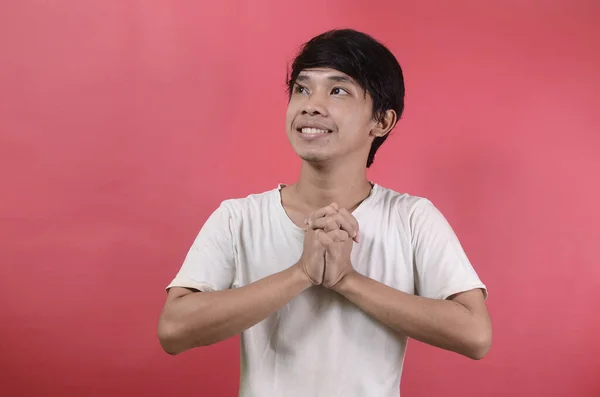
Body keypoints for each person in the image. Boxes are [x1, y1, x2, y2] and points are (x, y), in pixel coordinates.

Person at [157, 29, 492, 397]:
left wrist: (346, 279)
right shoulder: (238, 218)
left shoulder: (412, 218)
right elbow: (174, 330)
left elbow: (475, 335)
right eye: (302, 89)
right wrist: (301, 273)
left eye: (338, 91)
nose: (311, 105)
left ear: (381, 122)